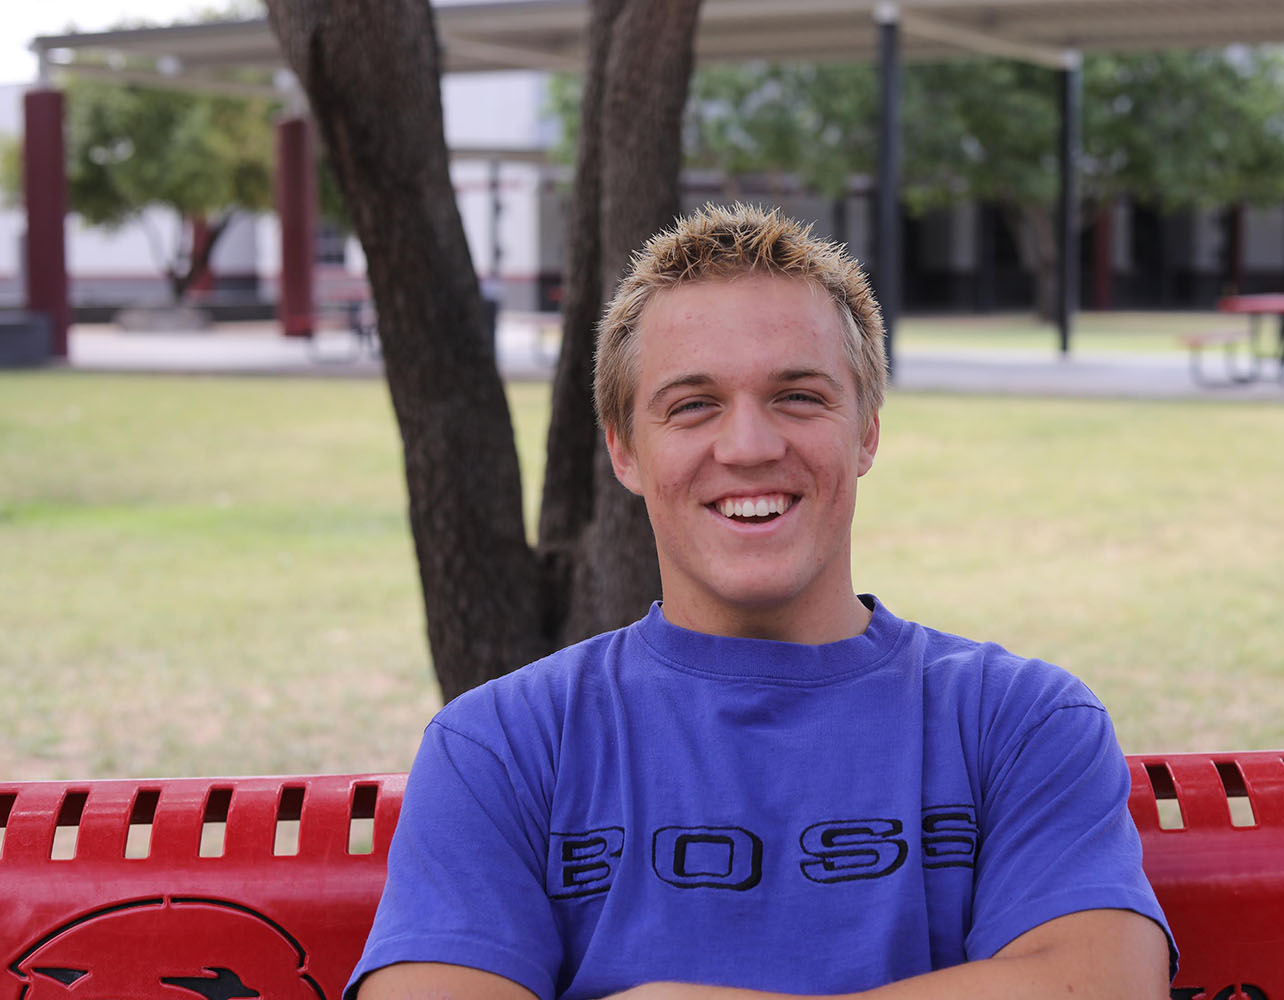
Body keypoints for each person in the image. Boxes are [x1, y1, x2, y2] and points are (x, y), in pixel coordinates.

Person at [347, 203, 1175, 1000]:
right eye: (693, 405)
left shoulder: (1017, 720)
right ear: (625, 450)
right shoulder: (504, 745)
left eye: (799, 396)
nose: (748, 446)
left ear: (867, 433)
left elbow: (1104, 983)